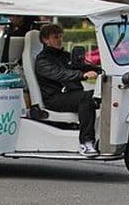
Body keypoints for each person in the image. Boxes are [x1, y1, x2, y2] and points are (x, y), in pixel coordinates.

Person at [35, 23, 101, 156]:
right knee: (86, 97)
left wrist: (98, 69)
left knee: (98, 95)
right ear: (45, 40)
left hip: (67, 94)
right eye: (55, 37)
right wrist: (83, 75)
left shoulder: (63, 55)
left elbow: (78, 66)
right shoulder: (42, 60)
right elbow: (61, 73)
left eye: (60, 36)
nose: (60, 40)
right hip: (54, 98)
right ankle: (86, 142)